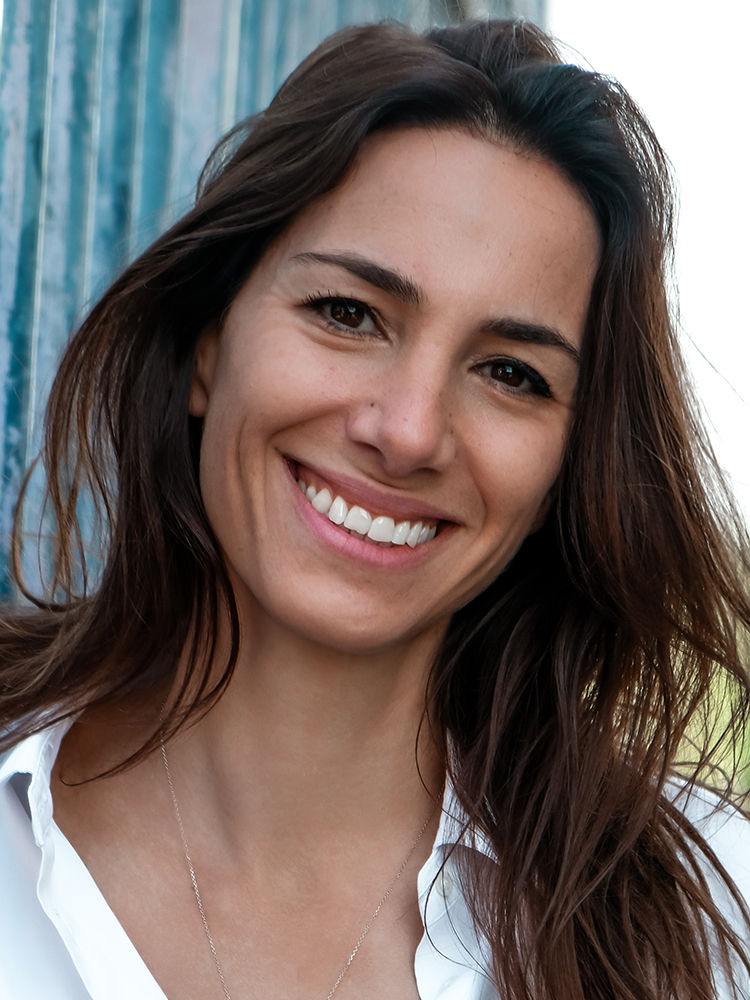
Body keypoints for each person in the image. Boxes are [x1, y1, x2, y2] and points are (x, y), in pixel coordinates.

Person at [1, 17, 749, 1000]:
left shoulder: (707, 917)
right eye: (348, 314)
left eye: (511, 373)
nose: (407, 431)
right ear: (208, 344)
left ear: (567, 470)